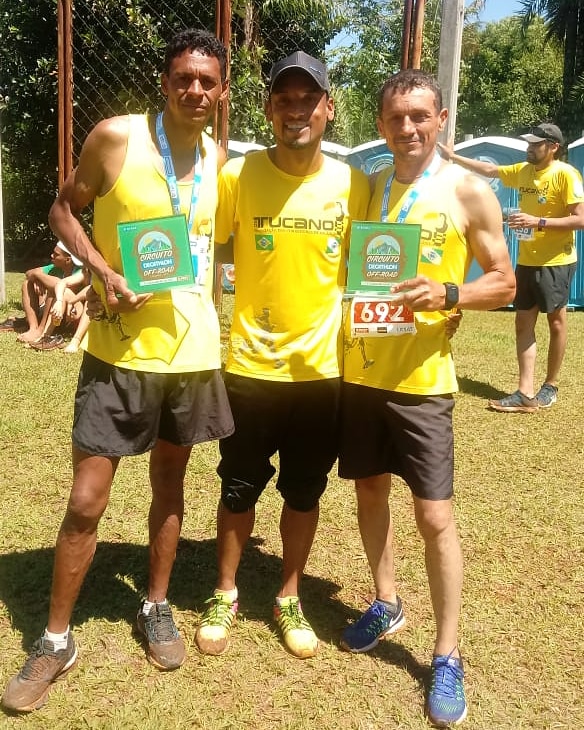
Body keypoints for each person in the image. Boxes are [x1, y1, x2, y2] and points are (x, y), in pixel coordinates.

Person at [2, 28, 233, 713]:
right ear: (165, 82)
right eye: (183, 77)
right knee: (86, 500)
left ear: (222, 93)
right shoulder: (116, 138)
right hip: (116, 351)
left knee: (170, 484)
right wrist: (102, 273)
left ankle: (156, 605)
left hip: (191, 355)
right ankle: (54, 640)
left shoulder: (219, 159)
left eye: (207, 81)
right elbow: (62, 209)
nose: (195, 89)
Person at [338, 69, 515, 727]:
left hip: (424, 385)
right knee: (368, 491)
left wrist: (450, 295)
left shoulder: (468, 190)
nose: (407, 127)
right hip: (362, 372)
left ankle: (446, 655)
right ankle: (386, 601)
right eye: (395, 117)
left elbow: (504, 281)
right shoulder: (369, 187)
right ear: (380, 125)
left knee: (435, 516)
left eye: (419, 116)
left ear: (441, 120)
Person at [194, 51, 370, 660]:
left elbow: (374, 270)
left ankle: (289, 596)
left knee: (304, 491)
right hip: (249, 366)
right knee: (238, 486)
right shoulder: (236, 177)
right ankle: (225, 591)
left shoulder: (354, 185)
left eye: (308, 99)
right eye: (285, 99)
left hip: (322, 372)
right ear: (269, 109)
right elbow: (207, 251)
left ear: (328, 108)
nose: (297, 110)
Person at [438, 123, 584, 412]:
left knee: (556, 323)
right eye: (529, 143)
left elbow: (580, 219)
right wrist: (453, 157)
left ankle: (550, 385)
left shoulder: (566, 174)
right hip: (526, 261)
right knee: (523, 322)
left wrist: (538, 222)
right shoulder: (524, 171)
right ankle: (525, 393)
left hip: (556, 262)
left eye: (536, 144)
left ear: (553, 147)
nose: (530, 148)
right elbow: (490, 170)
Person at [11, 240, 83, 343]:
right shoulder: (54, 268)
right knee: (27, 283)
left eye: (56, 254)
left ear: (68, 259)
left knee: (55, 290)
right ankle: (33, 328)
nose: (52, 255)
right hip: (54, 311)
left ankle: (42, 330)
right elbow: (28, 273)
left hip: (71, 313)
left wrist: (38, 276)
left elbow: (59, 284)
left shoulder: (80, 271)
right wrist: (36, 279)